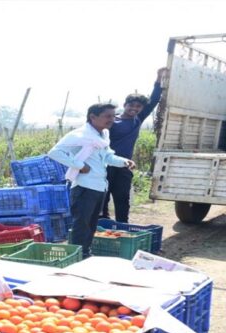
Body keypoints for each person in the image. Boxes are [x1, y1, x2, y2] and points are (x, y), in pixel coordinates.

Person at [49, 103, 136, 258]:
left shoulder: (103, 136)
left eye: (113, 116)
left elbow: (108, 156)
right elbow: (55, 152)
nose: (111, 120)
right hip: (84, 186)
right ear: (93, 117)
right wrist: (80, 165)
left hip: (99, 186)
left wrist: (124, 162)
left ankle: (85, 253)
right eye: (107, 116)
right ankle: (76, 256)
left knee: (91, 224)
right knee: (81, 225)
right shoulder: (80, 135)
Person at [101, 67, 167, 222]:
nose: (134, 109)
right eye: (131, 105)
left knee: (122, 197)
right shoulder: (111, 121)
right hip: (106, 164)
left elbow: (154, 100)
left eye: (138, 107)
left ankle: (123, 226)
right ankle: (103, 223)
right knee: (103, 196)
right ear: (125, 104)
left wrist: (158, 78)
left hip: (125, 165)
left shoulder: (138, 119)